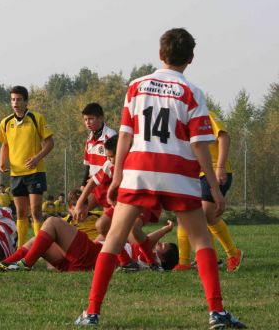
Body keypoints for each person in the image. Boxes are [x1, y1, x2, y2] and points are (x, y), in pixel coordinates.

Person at [74, 28, 246, 328]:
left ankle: (91, 313)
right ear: (191, 58)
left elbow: (125, 135)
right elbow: (198, 144)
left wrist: (117, 179)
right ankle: (217, 312)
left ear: (159, 54)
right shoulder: (193, 92)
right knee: (201, 240)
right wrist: (216, 189)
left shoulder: (136, 86)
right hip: (178, 172)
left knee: (113, 238)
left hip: (139, 171)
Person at [75, 135, 163, 270]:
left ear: (123, 152)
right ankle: (127, 262)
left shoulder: (139, 161)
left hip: (143, 202)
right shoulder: (110, 165)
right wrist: (80, 202)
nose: (109, 160)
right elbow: (92, 181)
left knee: (133, 229)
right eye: (107, 157)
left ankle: (152, 262)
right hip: (124, 203)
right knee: (101, 225)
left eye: (111, 157)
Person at [174, 111, 243, 272]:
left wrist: (220, 167)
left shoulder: (205, 114)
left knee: (207, 215)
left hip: (213, 171)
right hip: (192, 174)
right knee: (184, 215)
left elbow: (224, 137)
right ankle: (184, 262)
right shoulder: (179, 120)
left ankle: (233, 254)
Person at [0, 218, 177, 273]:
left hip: (94, 257)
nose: (158, 244)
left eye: (162, 246)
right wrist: (165, 230)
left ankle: (24, 265)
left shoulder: (149, 261)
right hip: (84, 262)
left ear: (162, 259)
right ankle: (5, 265)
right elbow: (146, 239)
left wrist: (166, 230)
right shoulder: (143, 252)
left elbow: (141, 235)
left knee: (53, 222)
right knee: (36, 242)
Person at [0, 85, 54, 249]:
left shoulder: (37, 118)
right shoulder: (6, 122)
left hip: (35, 172)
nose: (15, 103)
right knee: (21, 213)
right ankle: (22, 249)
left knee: (35, 211)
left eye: (19, 99)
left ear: (26, 101)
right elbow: (5, 145)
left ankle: (40, 249)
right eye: (13, 99)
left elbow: (50, 143)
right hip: (16, 174)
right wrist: (2, 162)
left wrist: (37, 158)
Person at [81, 102, 117, 190]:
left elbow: (113, 165)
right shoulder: (89, 138)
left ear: (101, 118)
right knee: (78, 202)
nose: (87, 122)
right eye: (85, 119)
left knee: (81, 203)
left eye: (91, 119)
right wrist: (83, 184)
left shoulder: (110, 136)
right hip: (93, 184)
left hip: (106, 184)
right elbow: (88, 165)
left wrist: (96, 179)